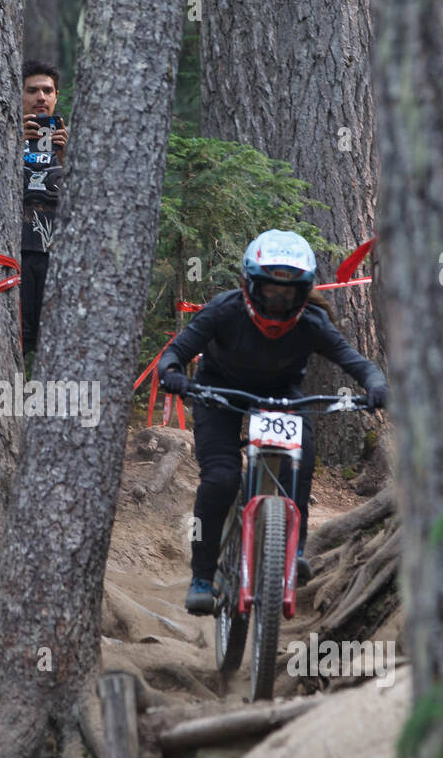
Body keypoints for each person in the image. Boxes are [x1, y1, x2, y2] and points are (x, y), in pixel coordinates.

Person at [158, 229, 389, 615]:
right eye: (270, 291)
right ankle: (202, 575)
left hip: (282, 394)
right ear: (251, 286)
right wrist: (173, 374)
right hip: (219, 394)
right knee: (221, 478)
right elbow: (176, 352)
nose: (279, 301)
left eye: (289, 293)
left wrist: (376, 384)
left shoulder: (312, 322)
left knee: (303, 457)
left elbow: (356, 362)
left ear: (303, 292)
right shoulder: (223, 310)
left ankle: (293, 550)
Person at [20, 59, 69, 374]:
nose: (40, 97)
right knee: (17, 336)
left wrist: (68, 157)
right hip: (16, 252)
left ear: (56, 95)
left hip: (58, 256)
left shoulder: (70, 140)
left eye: (47, 90)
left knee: (57, 338)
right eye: (32, 90)